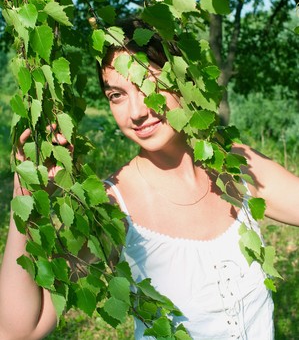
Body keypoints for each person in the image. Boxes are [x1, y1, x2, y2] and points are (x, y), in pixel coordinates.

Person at [0, 21, 298, 340]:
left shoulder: (236, 165)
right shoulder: (111, 205)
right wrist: (27, 197)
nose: (137, 111)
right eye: (117, 95)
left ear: (183, 81)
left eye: (149, 84)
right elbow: (20, 331)